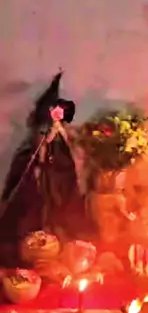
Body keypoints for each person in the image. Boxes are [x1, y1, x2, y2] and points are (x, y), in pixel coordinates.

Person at [0, 72, 86, 263]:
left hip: (56, 227)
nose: (43, 135)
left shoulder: (61, 156)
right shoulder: (25, 157)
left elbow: (69, 190)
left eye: (48, 131)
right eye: (40, 131)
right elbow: (13, 194)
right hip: (28, 228)